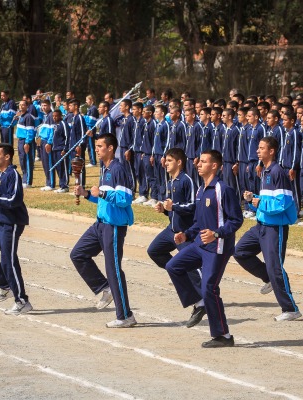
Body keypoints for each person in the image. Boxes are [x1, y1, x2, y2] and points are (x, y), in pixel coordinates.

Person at [165, 149, 243, 348]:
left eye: (204, 162)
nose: (198, 165)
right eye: (199, 162)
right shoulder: (201, 190)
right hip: (200, 244)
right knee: (173, 266)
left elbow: (236, 220)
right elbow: (199, 223)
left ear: (214, 166)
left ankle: (223, 336)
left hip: (217, 247)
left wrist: (217, 233)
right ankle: (198, 303)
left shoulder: (223, 189)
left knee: (210, 288)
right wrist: (187, 234)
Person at [70, 133, 136, 328]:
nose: (96, 149)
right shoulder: (104, 169)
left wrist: (103, 192)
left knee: (113, 270)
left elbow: (125, 199)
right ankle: (103, 287)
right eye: (96, 146)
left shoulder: (118, 169)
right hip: (99, 224)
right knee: (78, 254)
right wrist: (87, 194)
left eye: (99, 146)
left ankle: (125, 316)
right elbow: (102, 198)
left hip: (114, 227)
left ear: (110, 148)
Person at [234, 136, 301, 320]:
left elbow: (284, 203)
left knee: (275, 267)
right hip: (260, 226)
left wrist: (259, 202)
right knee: (240, 251)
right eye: (258, 147)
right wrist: (253, 199)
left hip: (275, 229)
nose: (258, 150)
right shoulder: (265, 171)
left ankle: (290, 309)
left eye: (262, 148)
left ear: (271, 151)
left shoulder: (278, 171)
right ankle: (269, 279)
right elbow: (267, 201)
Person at [0, 142, 32, 315]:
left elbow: (14, 200)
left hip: (12, 224)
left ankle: (22, 301)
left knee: (8, 261)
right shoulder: (1, 174)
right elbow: (3, 198)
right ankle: (5, 286)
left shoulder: (12, 174)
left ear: (7, 157)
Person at [147, 148, 201, 306]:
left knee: (193, 266)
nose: (166, 163)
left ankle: (206, 295)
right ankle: (179, 273)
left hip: (184, 232)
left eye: (169, 161)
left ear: (179, 162)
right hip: (171, 230)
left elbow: (192, 206)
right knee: (154, 251)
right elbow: (172, 208)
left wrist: (173, 207)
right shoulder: (170, 182)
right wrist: (164, 210)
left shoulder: (187, 180)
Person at [14, 99, 37, 188]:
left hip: (25, 141)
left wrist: (27, 142)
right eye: (20, 104)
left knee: (27, 161)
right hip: (20, 140)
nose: (21, 106)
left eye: (23, 105)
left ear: (27, 106)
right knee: (22, 160)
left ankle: (28, 181)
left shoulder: (28, 117)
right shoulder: (20, 116)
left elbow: (30, 131)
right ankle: (24, 179)